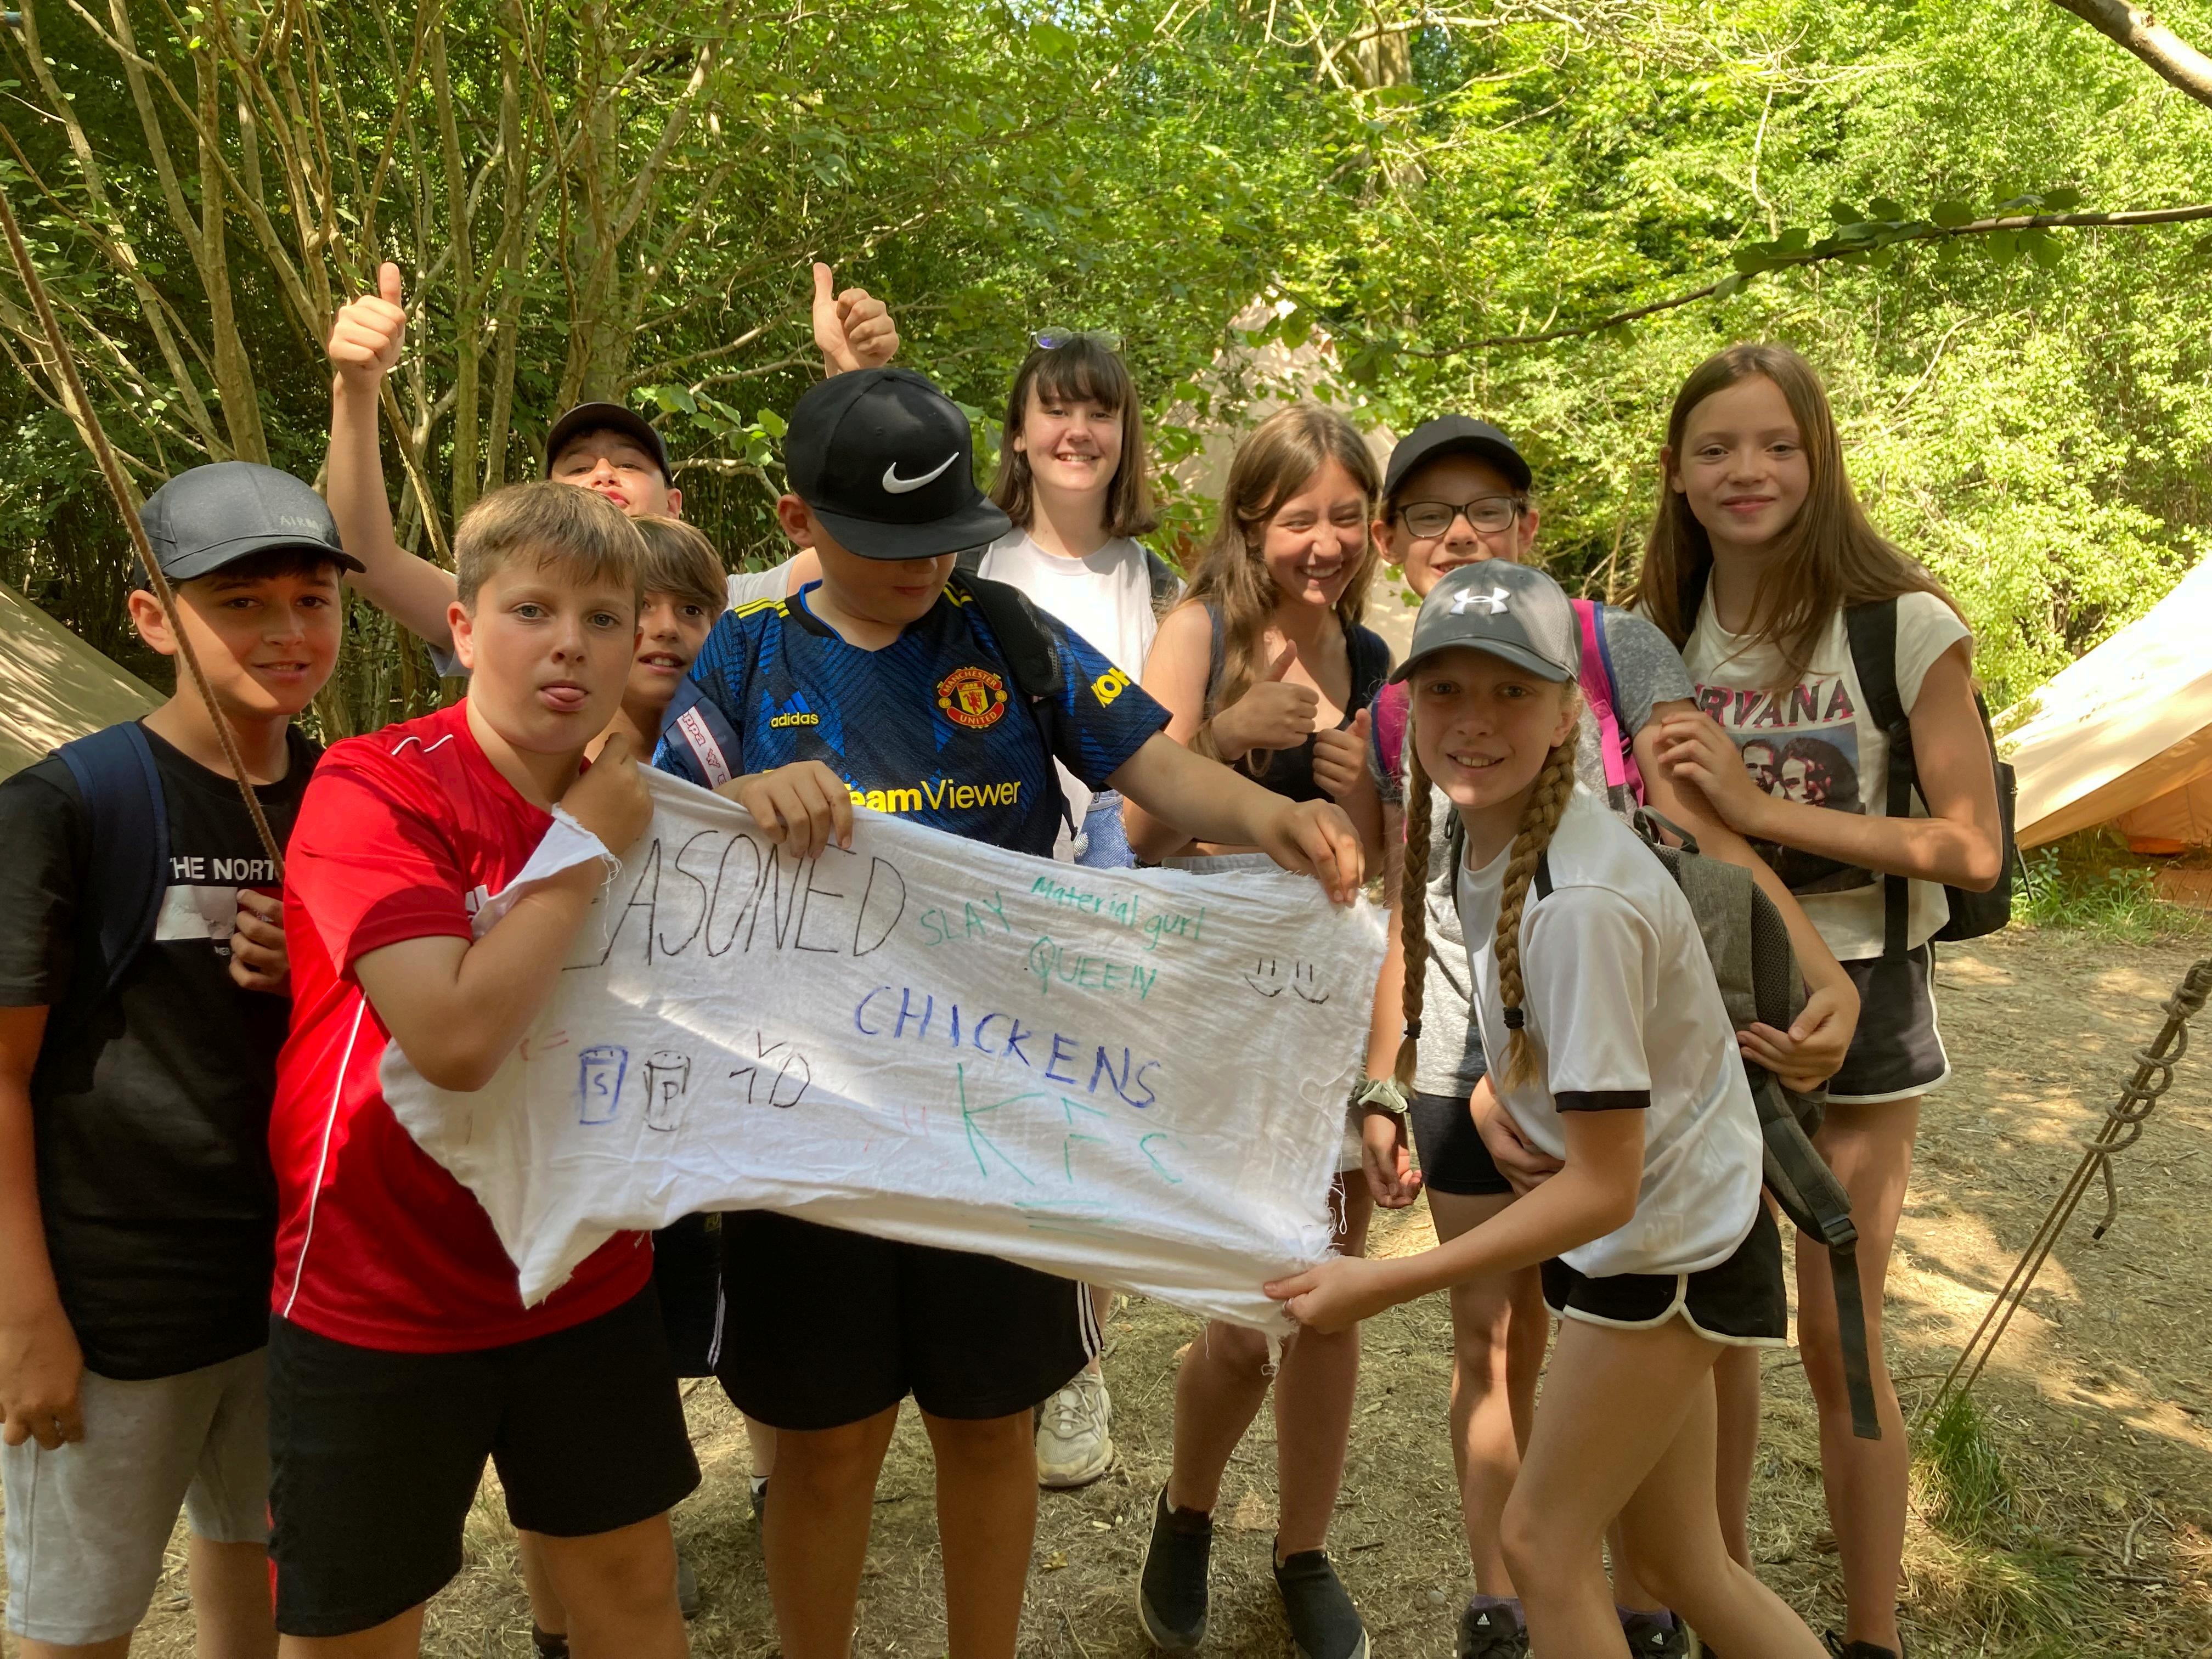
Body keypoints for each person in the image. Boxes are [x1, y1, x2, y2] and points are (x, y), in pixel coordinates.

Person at [652, 365, 1364, 1659]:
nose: (925, 568)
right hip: (808, 1127)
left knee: (989, 1429)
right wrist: (742, 803)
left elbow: (1154, 766)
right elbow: (654, 840)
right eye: (890, 544)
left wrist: (1273, 816)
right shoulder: (743, 655)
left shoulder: (1008, 635)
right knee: (825, 1448)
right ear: (798, 519)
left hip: (1002, 1112)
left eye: (946, 539)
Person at [1352, 418, 1860, 1657]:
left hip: (1665, 1250)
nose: (1474, 719)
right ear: (1409, 702)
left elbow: (1604, 1182)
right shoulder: (1482, 832)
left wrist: (1375, 1282)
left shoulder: (1577, 894)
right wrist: (1489, 1099)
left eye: (1511, 692)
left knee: (1542, 1546)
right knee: (1683, 1561)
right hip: (1665, 1232)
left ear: (1564, 714)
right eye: (1446, 689)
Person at [265, 482, 695, 1657]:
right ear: (462, 627)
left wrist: (759, 805)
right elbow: (453, 1041)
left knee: (633, 1594)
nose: (571, 645)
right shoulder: (373, 785)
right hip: (379, 1290)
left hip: (584, 1272)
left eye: (604, 620)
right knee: (358, 1633)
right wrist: (584, 847)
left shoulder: (652, 806)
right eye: (532, 610)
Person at [1641, 342, 2004, 1659]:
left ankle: (1869, 1635)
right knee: (1717, 1331)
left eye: (1777, 445)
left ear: (1819, 458)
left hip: (1871, 1003)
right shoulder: (1656, 636)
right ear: (1678, 476)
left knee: (1840, 1337)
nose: (1748, 471)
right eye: (1717, 448)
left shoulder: (1901, 623)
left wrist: (1759, 806)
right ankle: (1724, 1610)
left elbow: (1971, 848)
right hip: (1714, 998)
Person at [0, 462, 358, 1659]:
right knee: (77, 1622)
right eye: (242, 602)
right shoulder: (70, 803)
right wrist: (24, 1316)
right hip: (115, 1307)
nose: (287, 631)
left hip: (291, 1286)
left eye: (312, 600)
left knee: (256, 1552)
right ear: (154, 618)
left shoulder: (347, 801)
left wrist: (322, 971)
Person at [1123, 404, 1389, 1659]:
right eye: (1299, 519)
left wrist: (1361, 792)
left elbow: (1375, 867)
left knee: (1331, 1298)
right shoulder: (1202, 631)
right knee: (1249, 1309)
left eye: (1348, 517)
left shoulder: (1372, 658)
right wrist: (1227, 739)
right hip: (1221, 1006)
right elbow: (1139, 832)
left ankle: (1303, 1548)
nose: (1324, 543)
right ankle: (1187, 1512)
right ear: (1248, 520)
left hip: (1329, 1002)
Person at [972, 327, 1179, 1488]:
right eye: (1056, 408)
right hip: (999, 873)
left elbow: (1177, 744)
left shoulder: (1162, 582)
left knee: (1091, 1123)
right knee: (1009, 1122)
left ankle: (1076, 1361)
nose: (1078, 431)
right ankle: (1003, 1349)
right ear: (1017, 433)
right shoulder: (976, 570)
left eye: (1099, 411)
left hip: (1128, 878)